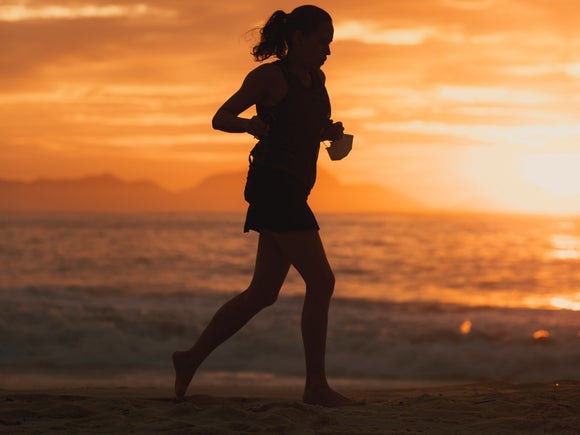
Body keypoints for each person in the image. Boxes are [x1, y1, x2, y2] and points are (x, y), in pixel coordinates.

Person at [172, 5, 353, 407]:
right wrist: (249, 125)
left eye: (330, 43)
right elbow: (221, 117)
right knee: (322, 282)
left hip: (294, 189)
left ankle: (189, 358)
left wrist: (329, 132)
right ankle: (316, 387)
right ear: (299, 38)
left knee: (262, 293)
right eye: (322, 41)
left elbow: (306, 124)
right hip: (275, 188)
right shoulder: (269, 77)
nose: (327, 50)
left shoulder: (316, 79)